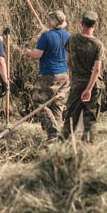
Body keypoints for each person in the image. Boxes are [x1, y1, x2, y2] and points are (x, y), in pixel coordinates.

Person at [23, 10, 70, 141]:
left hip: (49, 74)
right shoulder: (67, 35)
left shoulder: (46, 36)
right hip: (64, 75)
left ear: (52, 22)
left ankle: (52, 130)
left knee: (39, 102)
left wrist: (28, 52)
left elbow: (37, 54)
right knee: (57, 104)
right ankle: (58, 134)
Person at [61, 11, 103, 141]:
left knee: (71, 116)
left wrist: (76, 76)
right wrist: (89, 89)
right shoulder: (97, 45)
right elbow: (96, 69)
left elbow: (68, 62)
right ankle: (87, 146)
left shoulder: (72, 40)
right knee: (90, 119)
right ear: (96, 25)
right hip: (93, 86)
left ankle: (64, 144)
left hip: (77, 83)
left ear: (81, 23)